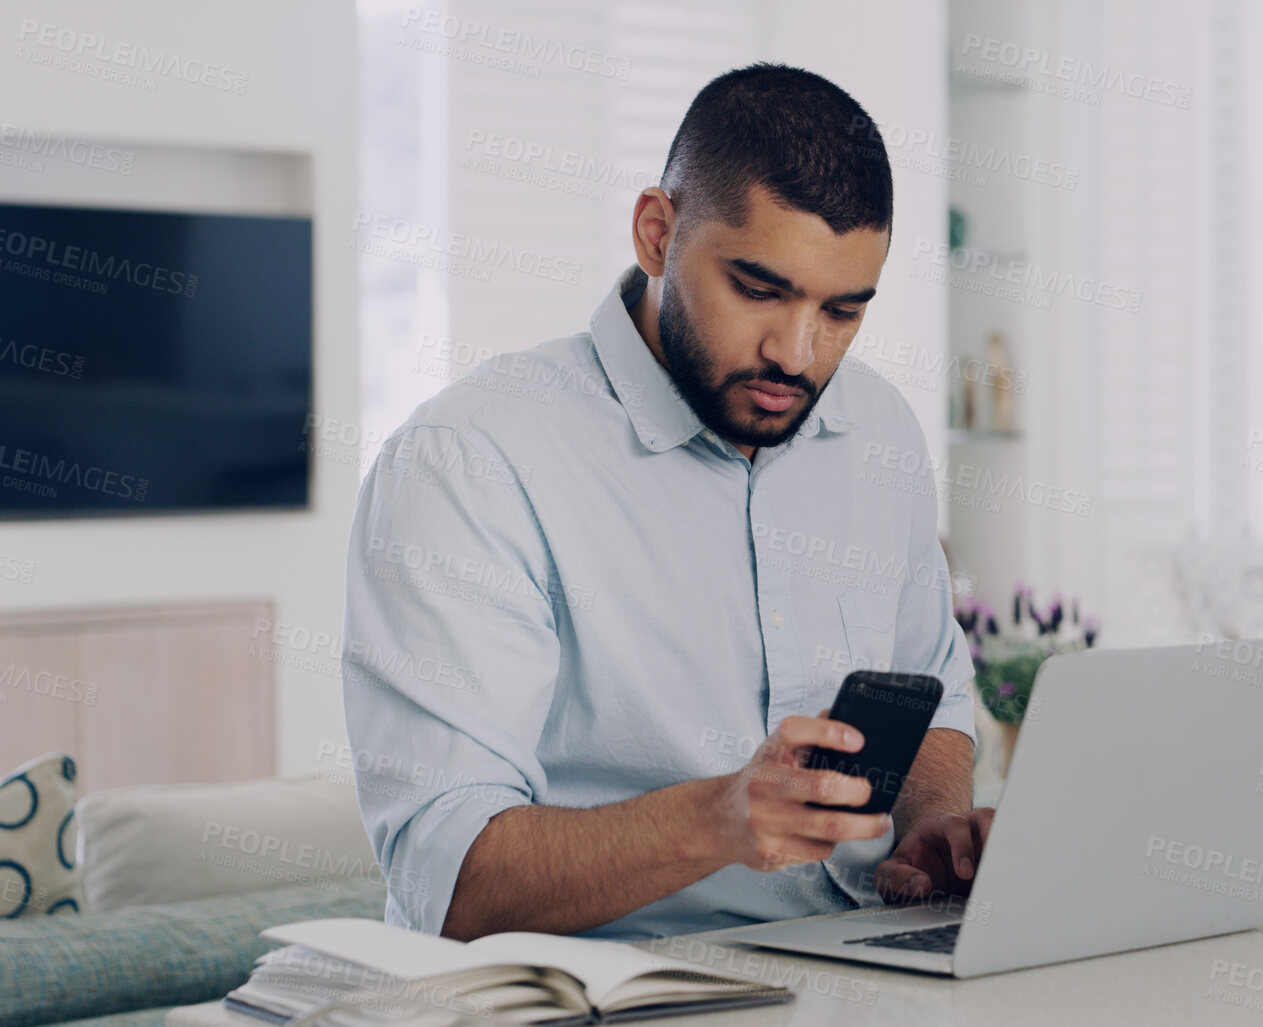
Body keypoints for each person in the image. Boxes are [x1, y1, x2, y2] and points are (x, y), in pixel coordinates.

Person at [341, 62, 994, 941]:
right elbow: (449, 881)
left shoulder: (876, 429)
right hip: (612, 988)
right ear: (657, 233)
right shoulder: (470, 460)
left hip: (863, 962)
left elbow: (934, 698)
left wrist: (932, 826)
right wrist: (719, 820)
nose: (797, 355)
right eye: (759, 289)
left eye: (842, 310)